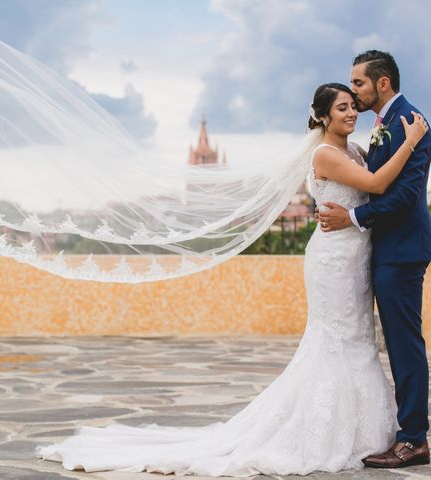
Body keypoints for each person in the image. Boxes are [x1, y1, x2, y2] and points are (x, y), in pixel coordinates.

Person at [34, 82, 429, 476]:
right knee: (334, 340)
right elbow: (376, 185)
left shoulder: (356, 151)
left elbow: (377, 186)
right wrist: (411, 141)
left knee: (357, 338)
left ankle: (366, 428)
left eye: (352, 106)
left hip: (357, 258)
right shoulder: (326, 154)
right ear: (323, 116)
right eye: (341, 107)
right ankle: (324, 429)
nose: (350, 112)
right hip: (332, 262)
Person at [319, 50, 431, 469]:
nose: (353, 91)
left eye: (359, 83)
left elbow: (403, 196)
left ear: (382, 83)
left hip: (402, 250)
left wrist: (351, 216)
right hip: (387, 249)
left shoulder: (409, 122)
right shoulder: (386, 124)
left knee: (405, 346)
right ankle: (407, 432)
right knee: (398, 344)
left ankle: (414, 439)